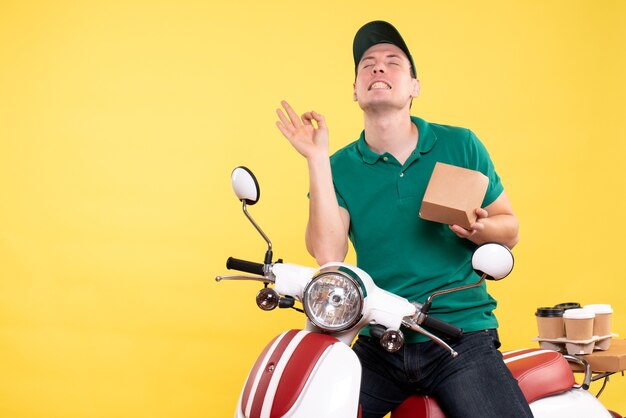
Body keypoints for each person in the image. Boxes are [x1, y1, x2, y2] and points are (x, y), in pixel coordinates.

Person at [276, 20, 533, 418]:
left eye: (393, 62)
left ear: (414, 86)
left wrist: (480, 229)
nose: (378, 68)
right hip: (381, 336)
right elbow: (329, 254)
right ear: (356, 90)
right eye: (367, 64)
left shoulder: (459, 144)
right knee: (312, 407)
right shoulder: (339, 166)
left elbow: (509, 228)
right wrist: (317, 160)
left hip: (458, 335)